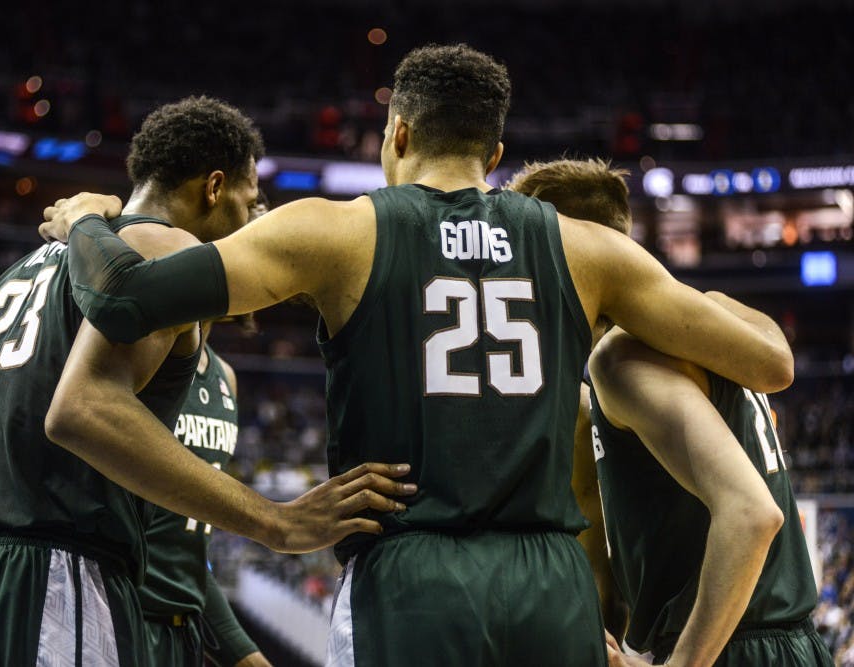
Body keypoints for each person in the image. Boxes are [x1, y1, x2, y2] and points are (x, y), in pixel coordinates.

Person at [39, 44, 793, 666]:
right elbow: (771, 365)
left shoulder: (336, 231)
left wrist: (83, 219)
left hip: (413, 582)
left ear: (395, 133)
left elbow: (125, 297)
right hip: (552, 590)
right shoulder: (588, 249)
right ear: (494, 154)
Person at [0, 97, 412, 667]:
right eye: (247, 200)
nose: (249, 224)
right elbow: (83, 411)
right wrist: (275, 521)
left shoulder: (14, 276)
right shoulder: (165, 247)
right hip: (61, 583)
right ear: (214, 188)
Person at [509, 158, 831, 667]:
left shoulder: (619, 359)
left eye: (527, 246)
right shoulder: (712, 326)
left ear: (568, 248)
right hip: (786, 642)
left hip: (730, 646)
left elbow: (751, 515)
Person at [138, 199, 270, 667]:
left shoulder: (225, 377)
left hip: (182, 632)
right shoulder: (146, 350)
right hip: (124, 615)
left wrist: (245, 654)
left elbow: (188, 550)